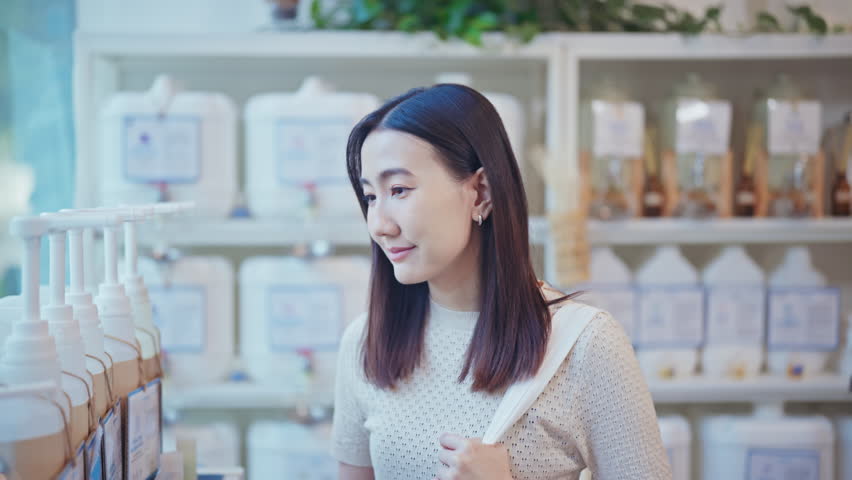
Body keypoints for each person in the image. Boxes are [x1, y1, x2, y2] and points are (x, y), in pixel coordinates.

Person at [331, 83, 670, 480]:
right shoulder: (366, 342)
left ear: (480, 193)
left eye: (399, 190)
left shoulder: (587, 346)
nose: (379, 225)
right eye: (371, 196)